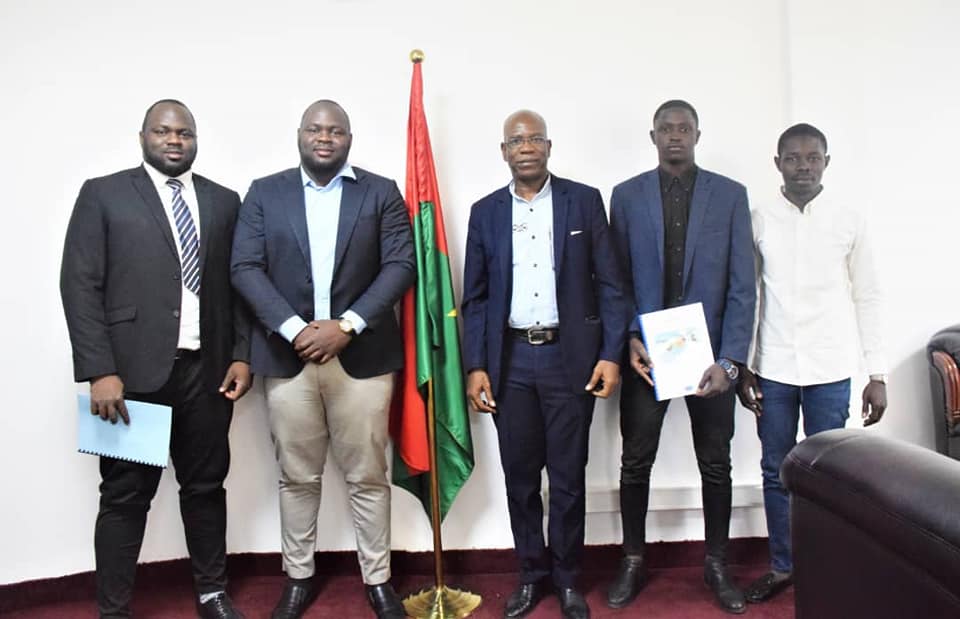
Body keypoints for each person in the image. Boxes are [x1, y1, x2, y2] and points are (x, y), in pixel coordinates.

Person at [60, 99, 252, 619]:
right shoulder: (103, 194)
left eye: (184, 133)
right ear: (142, 137)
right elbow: (79, 285)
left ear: (196, 140)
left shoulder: (224, 201)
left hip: (207, 373)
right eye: (163, 131)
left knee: (206, 487)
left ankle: (212, 593)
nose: (174, 140)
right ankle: (114, 610)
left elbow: (238, 285)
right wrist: (100, 370)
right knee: (124, 496)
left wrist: (241, 355)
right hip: (130, 377)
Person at [230, 100, 414, 619]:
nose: (325, 137)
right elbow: (245, 267)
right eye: (315, 129)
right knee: (296, 477)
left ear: (349, 138)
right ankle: (298, 577)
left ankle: (378, 580)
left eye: (335, 130)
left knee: (368, 475)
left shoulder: (381, 192)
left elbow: (401, 264)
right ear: (300, 134)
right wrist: (296, 330)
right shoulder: (265, 193)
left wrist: (347, 326)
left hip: (364, 359)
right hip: (288, 359)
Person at [462, 109, 627, 619]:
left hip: (569, 360)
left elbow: (611, 285)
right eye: (517, 141)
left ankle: (569, 579)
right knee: (520, 478)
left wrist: (610, 355)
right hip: (509, 362)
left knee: (568, 477)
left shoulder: (584, 201)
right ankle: (533, 577)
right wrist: (476, 365)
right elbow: (475, 298)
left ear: (550, 147)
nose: (527, 147)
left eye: (535, 139)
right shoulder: (485, 212)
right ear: (504, 152)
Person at [607, 100, 755, 614]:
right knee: (634, 461)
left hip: (708, 358)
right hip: (647, 355)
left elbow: (742, 287)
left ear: (697, 134)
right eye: (666, 129)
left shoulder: (730, 196)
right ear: (652, 137)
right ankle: (632, 560)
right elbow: (616, 279)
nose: (675, 136)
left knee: (716, 463)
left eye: (684, 128)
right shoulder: (626, 197)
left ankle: (717, 563)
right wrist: (630, 337)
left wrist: (731, 361)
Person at [737, 123, 888, 603]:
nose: (803, 166)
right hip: (773, 366)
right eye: (793, 158)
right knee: (775, 469)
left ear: (827, 162)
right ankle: (783, 566)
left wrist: (877, 374)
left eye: (813, 158)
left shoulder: (848, 220)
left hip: (830, 368)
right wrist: (744, 365)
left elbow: (868, 295)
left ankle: (829, 565)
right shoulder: (758, 220)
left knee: (830, 475)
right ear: (777, 163)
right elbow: (747, 296)